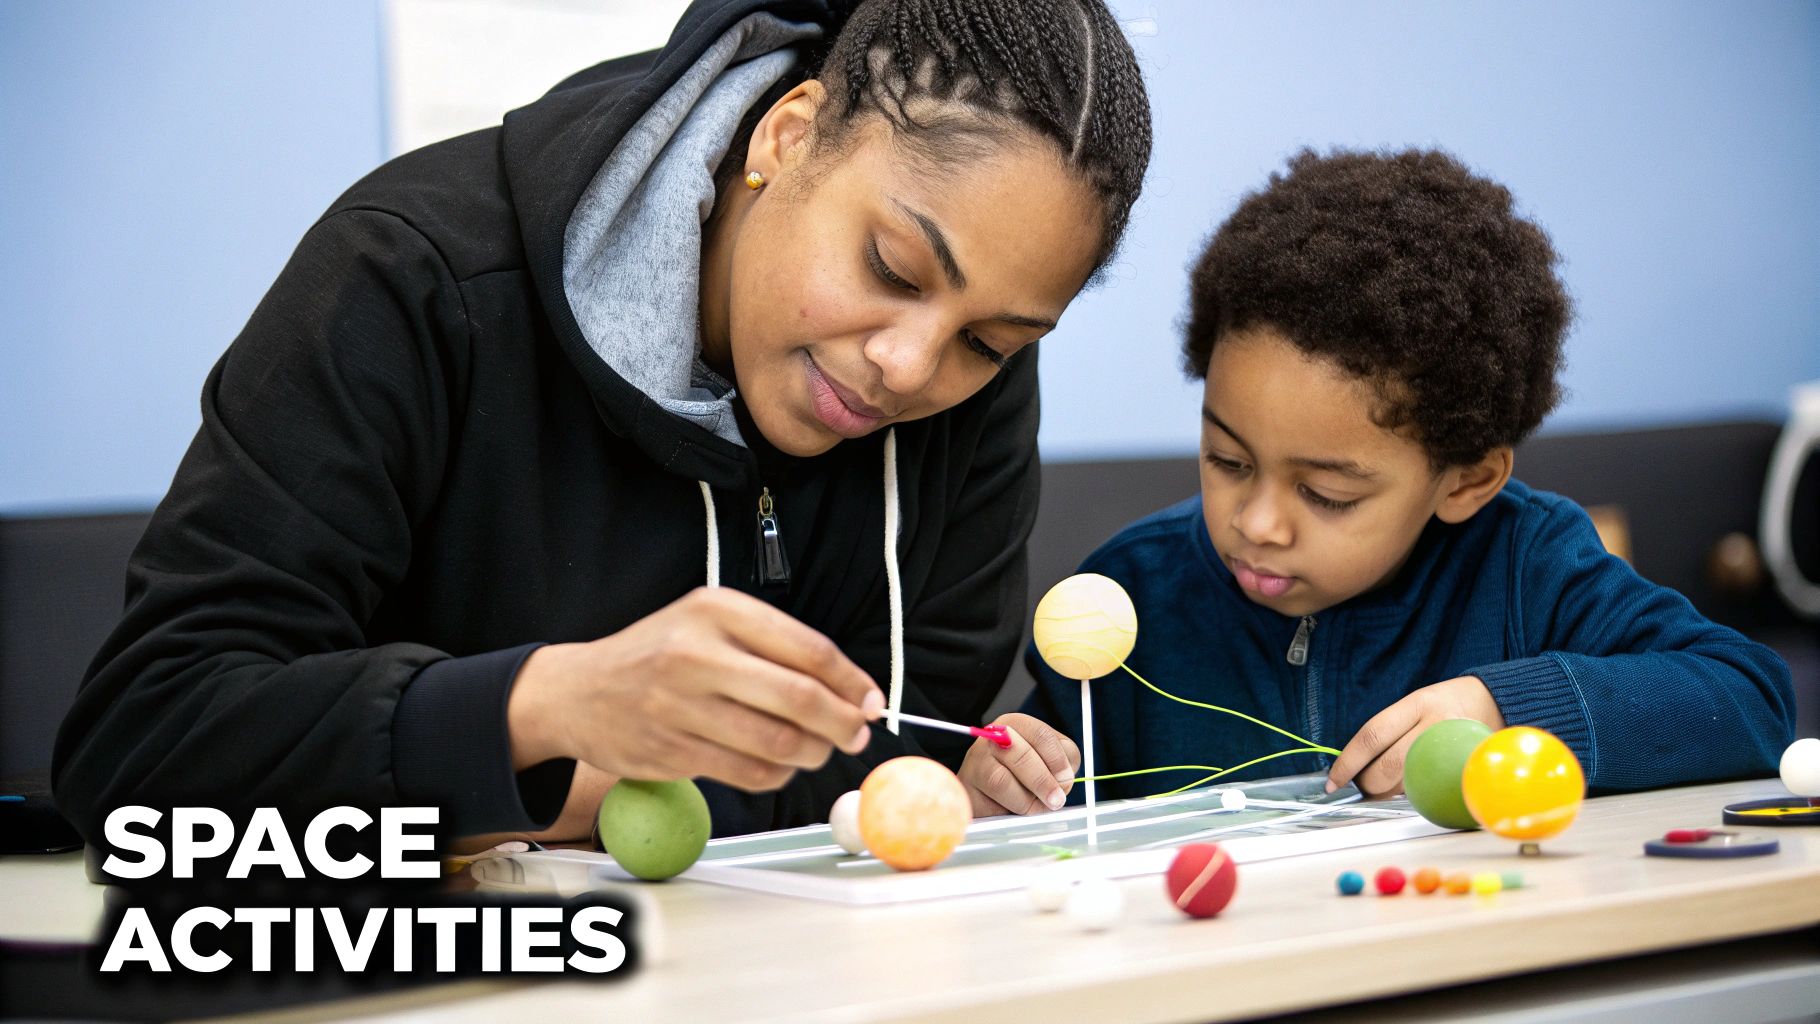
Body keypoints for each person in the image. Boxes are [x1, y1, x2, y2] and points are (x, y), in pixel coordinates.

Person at [52, 0, 1153, 842]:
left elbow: (899, 742)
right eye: (891, 268)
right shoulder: (411, 279)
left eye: (989, 341)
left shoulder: (967, 373)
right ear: (788, 135)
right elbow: (144, 745)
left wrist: (946, 788)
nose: (906, 367)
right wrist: (544, 708)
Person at [958, 148, 1794, 815]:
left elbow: (1753, 699)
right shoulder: (1135, 590)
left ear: (1466, 481)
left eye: (1328, 495)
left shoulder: (1528, 565)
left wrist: (1506, 709)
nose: (1259, 522)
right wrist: (1007, 785)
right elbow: (1052, 795)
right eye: (1228, 461)